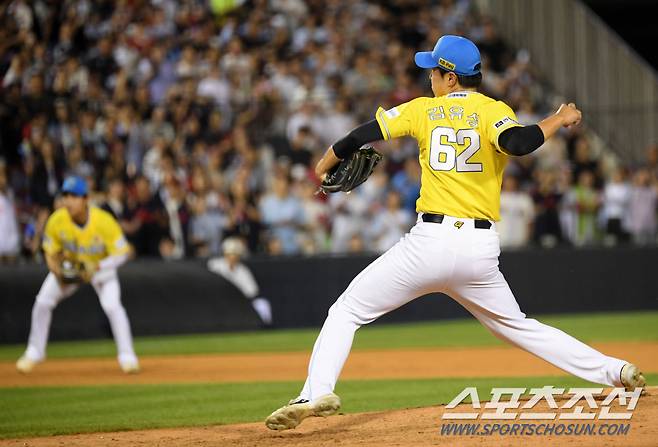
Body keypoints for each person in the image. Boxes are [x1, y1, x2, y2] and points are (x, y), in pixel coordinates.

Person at [265, 35, 646, 431]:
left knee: (347, 311)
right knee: (519, 327)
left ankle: (316, 392)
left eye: (434, 70)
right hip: (478, 251)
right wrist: (559, 118)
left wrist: (325, 162)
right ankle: (615, 371)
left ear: (450, 78)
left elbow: (361, 135)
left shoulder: (423, 111)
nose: (429, 76)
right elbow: (518, 143)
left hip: (428, 244)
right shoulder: (491, 110)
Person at [16, 176, 140, 374]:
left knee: (112, 306)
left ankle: (127, 357)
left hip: (100, 270)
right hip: (72, 268)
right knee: (43, 301)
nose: (68, 200)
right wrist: (57, 271)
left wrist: (98, 266)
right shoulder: (57, 220)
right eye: (65, 195)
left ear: (85, 199)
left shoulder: (103, 221)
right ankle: (34, 352)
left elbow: (124, 253)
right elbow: (50, 251)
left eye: (74, 196)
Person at [207, 237, 272, 326]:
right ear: (225, 253)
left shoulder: (243, 270)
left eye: (236, 254)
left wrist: (237, 294)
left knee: (262, 304)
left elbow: (253, 291)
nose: (233, 257)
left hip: (240, 301)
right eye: (230, 253)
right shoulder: (214, 265)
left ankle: (263, 329)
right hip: (219, 300)